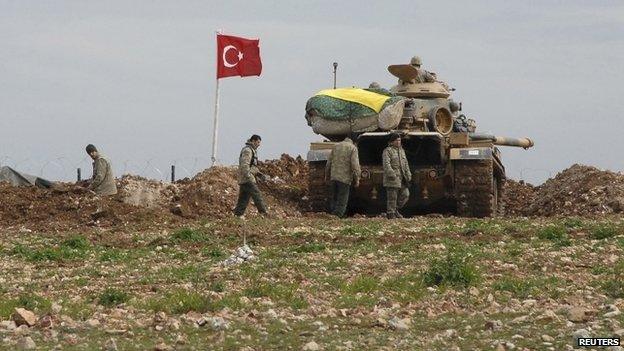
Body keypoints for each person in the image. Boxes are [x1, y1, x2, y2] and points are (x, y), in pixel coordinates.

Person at [325, 134, 361, 218]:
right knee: (342, 198)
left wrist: (326, 175)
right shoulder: (353, 148)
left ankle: (333, 212)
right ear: (354, 141)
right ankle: (338, 215)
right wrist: (357, 178)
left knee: (334, 196)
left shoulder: (336, 146)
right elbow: (355, 165)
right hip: (344, 178)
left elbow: (329, 163)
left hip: (334, 176)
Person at [233, 134, 268, 217]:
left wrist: (259, 174)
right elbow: (245, 165)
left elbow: (252, 166)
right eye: (258, 142)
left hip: (245, 178)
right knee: (257, 194)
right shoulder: (248, 151)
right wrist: (249, 176)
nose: (259, 144)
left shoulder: (252, 150)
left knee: (243, 199)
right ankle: (264, 212)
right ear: (253, 141)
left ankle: (238, 214)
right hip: (247, 178)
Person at [382, 133, 411, 219]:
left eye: (399, 140)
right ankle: (391, 214)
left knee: (406, 194)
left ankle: (395, 209)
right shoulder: (387, 151)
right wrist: (392, 174)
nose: (398, 142)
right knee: (392, 197)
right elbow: (386, 164)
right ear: (392, 142)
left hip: (402, 178)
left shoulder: (401, 151)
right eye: (396, 140)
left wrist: (408, 173)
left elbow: (405, 163)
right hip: (392, 178)